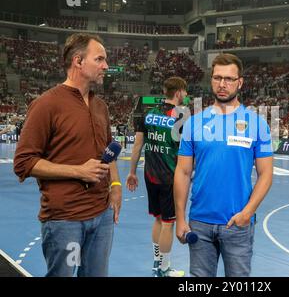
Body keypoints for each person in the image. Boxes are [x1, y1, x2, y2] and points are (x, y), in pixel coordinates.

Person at [13, 33, 122, 277]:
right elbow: (23, 163)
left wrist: (115, 185)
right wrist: (78, 171)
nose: (106, 66)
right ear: (78, 61)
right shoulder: (46, 105)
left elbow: (109, 148)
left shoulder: (100, 106)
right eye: (100, 59)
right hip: (65, 219)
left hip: (102, 215)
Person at [174, 53, 273, 277]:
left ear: (240, 82)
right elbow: (182, 171)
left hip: (237, 222)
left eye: (229, 79)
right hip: (199, 222)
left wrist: (247, 213)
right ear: (211, 80)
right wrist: (180, 218)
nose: (222, 84)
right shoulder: (193, 122)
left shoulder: (257, 123)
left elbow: (266, 174)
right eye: (217, 77)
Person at [126, 76, 187, 277]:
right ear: (178, 92)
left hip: (149, 175)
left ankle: (156, 261)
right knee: (169, 223)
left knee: (159, 220)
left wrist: (132, 172)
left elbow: (137, 146)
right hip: (170, 178)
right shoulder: (181, 116)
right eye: (184, 92)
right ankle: (164, 268)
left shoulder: (148, 114)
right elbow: (184, 152)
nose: (186, 96)